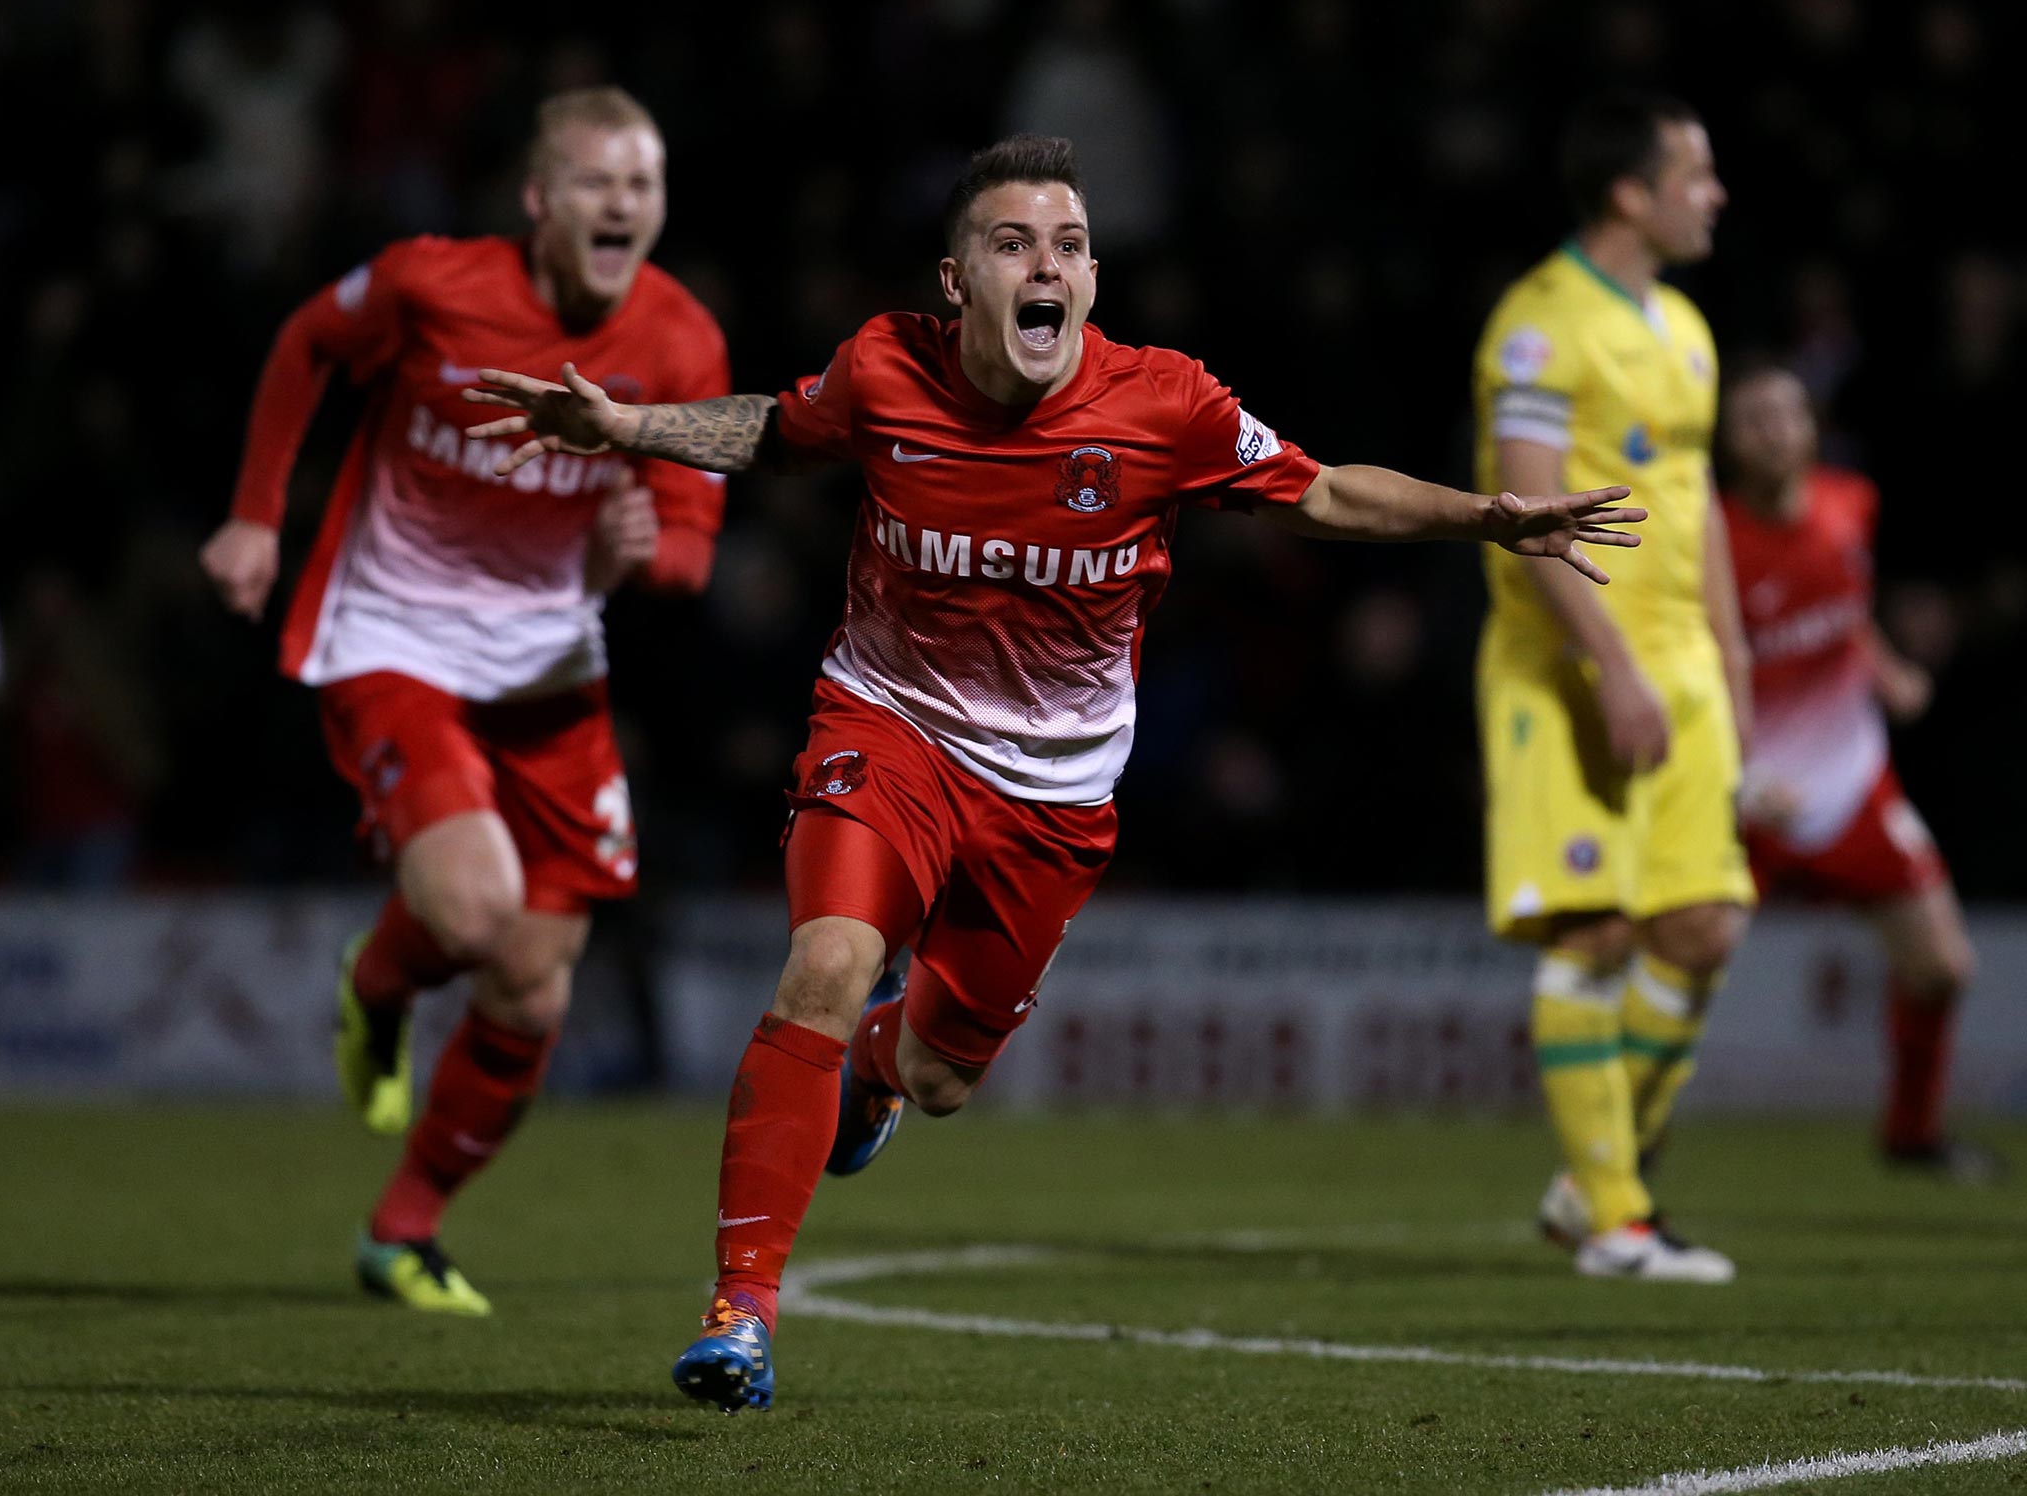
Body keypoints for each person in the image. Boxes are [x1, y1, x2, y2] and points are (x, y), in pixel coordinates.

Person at [468, 133, 1643, 1411]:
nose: (1049, 264)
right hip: (891, 726)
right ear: (956, 278)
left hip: (1053, 792)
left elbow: (1318, 494)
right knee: (821, 962)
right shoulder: (885, 368)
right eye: (1015, 242)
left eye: (1071, 246)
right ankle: (740, 1314)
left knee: (938, 1078)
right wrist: (627, 425)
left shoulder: (1163, 405)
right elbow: (782, 431)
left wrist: (1490, 518)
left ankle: (872, 1073)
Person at [198, 87, 729, 1315]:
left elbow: (691, 548)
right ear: (539, 202)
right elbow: (305, 345)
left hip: (548, 664)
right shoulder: (433, 284)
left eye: (639, 185)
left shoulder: (681, 342)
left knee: (535, 982)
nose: (620, 205)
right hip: (394, 639)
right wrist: (255, 514)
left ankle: (402, 1230)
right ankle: (379, 982)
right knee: (480, 907)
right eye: (595, 182)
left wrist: (633, 554)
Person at [1472, 90, 1753, 1283]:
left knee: (1701, 926)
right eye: (1694, 172)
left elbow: (1698, 509)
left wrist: (1732, 660)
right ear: (1629, 193)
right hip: (1570, 667)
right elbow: (1527, 511)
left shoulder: (1686, 328)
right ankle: (1621, 1219)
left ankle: (1592, 1178)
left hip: (1682, 667)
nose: (1714, 192)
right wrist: (1611, 665)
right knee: (1593, 932)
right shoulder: (1538, 327)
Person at [1720, 364, 1996, 1183]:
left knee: (1943, 968)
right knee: (1681, 970)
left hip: (1850, 787)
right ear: (1727, 441)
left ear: (1812, 426)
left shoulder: (1852, 505)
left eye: (1787, 414)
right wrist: (1735, 773)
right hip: (1747, 798)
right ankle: (1626, 1158)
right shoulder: (1713, 539)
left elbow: (1846, 613)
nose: (1774, 430)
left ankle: (1911, 1136)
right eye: (1754, 419)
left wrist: (1884, 671)